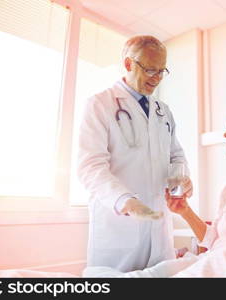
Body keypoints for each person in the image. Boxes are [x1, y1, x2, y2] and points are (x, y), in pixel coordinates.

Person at [83, 104, 226, 277]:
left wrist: (210, 258)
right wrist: (184, 211)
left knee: (220, 259)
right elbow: (214, 239)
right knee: (166, 269)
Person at [77, 35, 193, 273]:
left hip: (158, 229)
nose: (157, 78)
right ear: (129, 64)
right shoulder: (100, 104)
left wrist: (179, 181)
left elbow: (176, 156)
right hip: (118, 228)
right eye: (151, 69)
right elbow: (90, 166)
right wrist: (124, 200)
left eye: (162, 71)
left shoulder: (163, 111)